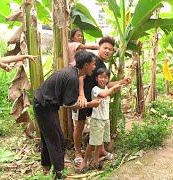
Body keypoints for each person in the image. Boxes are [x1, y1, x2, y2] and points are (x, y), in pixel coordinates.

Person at [33, 51, 102, 179]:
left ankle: (46, 167)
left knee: (49, 136)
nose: (94, 67)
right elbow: (68, 105)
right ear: (86, 65)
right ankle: (60, 174)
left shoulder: (73, 73)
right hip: (43, 105)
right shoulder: (72, 78)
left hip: (46, 104)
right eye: (93, 64)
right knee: (58, 140)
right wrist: (90, 104)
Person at [73, 36, 131, 165]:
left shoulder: (102, 65)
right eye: (105, 48)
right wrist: (81, 95)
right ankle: (77, 152)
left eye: (110, 49)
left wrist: (121, 82)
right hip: (82, 98)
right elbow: (80, 76)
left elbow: (106, 85)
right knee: (80, 124)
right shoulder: (91, 59)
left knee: (98, 125)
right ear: (99, 47)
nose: (107, 51)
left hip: (96, 100)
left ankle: (101, 150)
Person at [78, 68, 122, 172]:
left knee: (99, 142)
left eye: (105, 77)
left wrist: (122, 83)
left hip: (105, 119)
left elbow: (109, 91)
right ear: (96, 78)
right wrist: (113, 88)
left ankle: (95, 161)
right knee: (92, 142)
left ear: (108, 79)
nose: (103, 79)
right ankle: (84, 162)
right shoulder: (95, 89)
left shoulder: (106, 87)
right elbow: (103, 95)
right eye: (100, 77)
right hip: (97, 120)